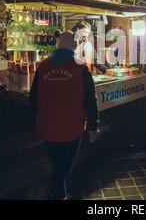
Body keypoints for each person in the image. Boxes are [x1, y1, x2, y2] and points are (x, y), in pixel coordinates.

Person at [29, 30, 99, 199]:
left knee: (58, 166)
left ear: (57, 44)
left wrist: (38, 116)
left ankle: (57, 193)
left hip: (48, 128)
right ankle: (59, 195)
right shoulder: (81, 67)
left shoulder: (43, 66)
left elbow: (33, 98)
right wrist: (94, 126)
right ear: (74, 45)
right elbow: (91, 100)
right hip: (72, 129)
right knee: (64, 167)